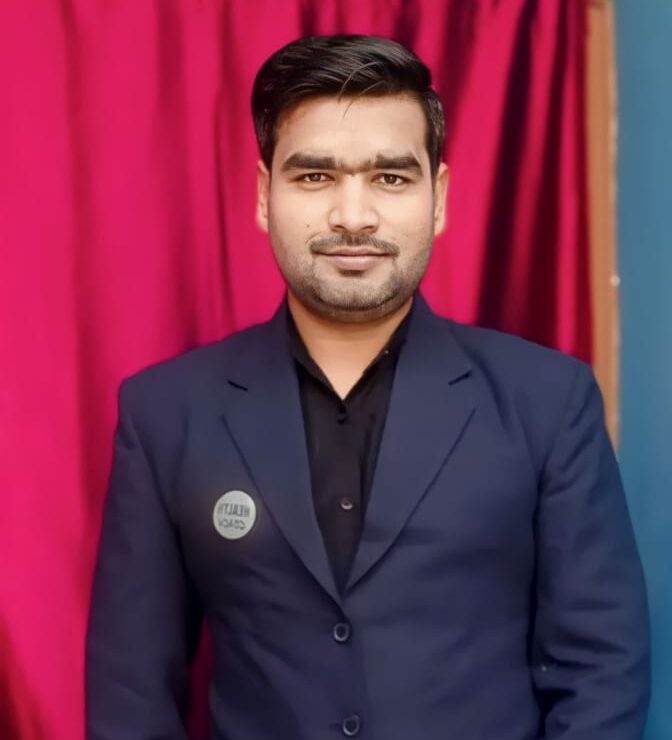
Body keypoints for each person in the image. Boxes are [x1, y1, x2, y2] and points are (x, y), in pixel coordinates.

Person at [86, 35, 649, 740]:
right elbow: (130, 695)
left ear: (438, 198)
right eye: (315, 176)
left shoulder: (547, 402)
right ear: (263, 195)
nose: (353, 216)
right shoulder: (167, 414)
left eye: (390, 177)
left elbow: (601, 671)